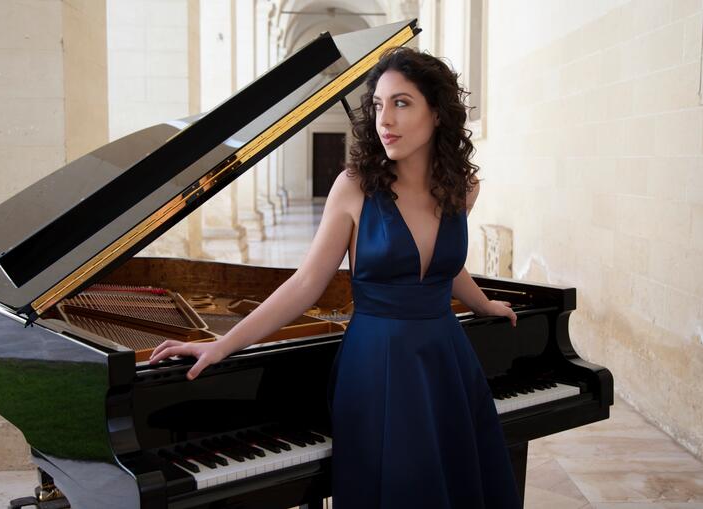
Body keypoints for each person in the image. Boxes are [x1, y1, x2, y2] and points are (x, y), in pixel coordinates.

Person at [150, 46, 522, 508]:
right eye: (379, 105)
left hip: (446, 359)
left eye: (402, 103)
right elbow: (307, 284)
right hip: (377, 366)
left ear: (438, 113)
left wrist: (483, 304)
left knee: (458, 485)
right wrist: (222, 344)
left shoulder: (463, 188)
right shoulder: (354, 188)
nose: (385, 118)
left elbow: (444, 266)